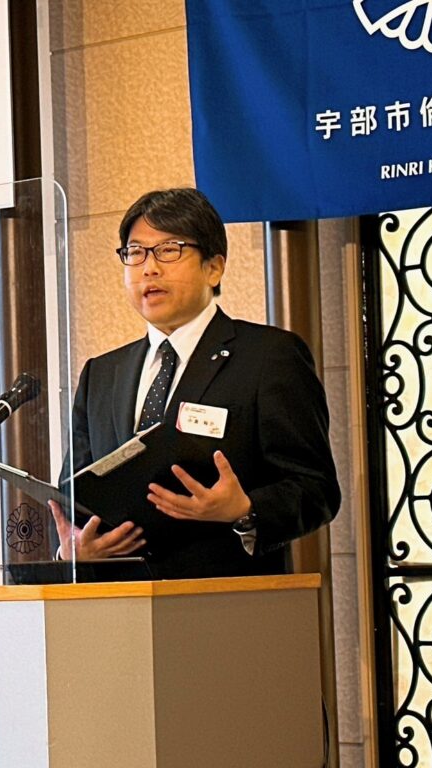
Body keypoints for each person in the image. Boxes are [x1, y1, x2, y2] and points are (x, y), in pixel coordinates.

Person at [49, 188, 340, 579]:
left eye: (169, 250)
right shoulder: (101, 373)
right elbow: (75, 495)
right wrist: (74, 550)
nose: (149, 268)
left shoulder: (269, 356)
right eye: (135, 253)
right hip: (121, 601)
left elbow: (316, 489)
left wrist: (244, 510)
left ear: (214, 268)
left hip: (224, 598)